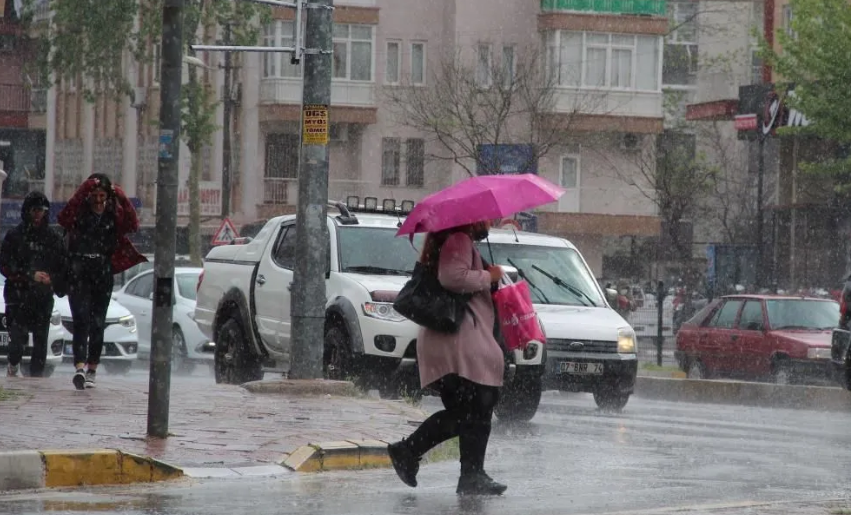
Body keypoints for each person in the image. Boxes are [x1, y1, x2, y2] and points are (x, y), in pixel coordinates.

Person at [387, 220, 508, 496]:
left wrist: (487, 275)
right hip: (459, 342)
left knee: (467, 413)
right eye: (487, 218)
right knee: (477, 407)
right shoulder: (459, 239)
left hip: (453, 341)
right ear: (473, 218)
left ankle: (460, 470)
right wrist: (488, 277)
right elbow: (452, 278)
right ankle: (466, 473)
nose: (490, 222)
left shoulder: (453, 241)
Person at [58, 173, 145, 390]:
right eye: (94, 195)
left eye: (102, 196)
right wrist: (82, 190)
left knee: (98, 322)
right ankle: (78, 366)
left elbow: (132, 224)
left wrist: (123, 198)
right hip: (79, 271)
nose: (98, 200)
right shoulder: (78, 214)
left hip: (102, 272)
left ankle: (92, 369)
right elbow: (63, 217)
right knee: (81, 320)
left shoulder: (112, 216)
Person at [0, 191, 67, 377]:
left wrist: (51, 279)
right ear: (27, 211)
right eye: (35, 210)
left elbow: (63, 265)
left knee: (40, 341)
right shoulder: (15, 236)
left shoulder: (53, 238)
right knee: (17, 339)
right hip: (18, 295)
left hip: (42, 297)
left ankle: (36, 380)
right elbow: (6, 264)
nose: (38, 214)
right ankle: (13, 366)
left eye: (42, 210)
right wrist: (30, 275)